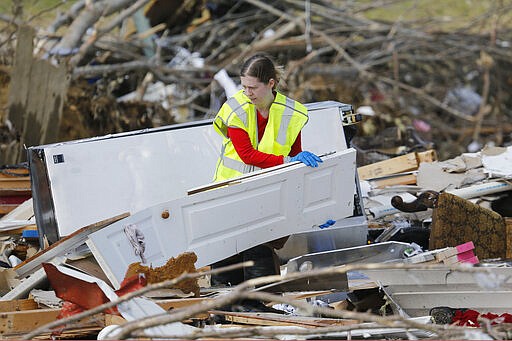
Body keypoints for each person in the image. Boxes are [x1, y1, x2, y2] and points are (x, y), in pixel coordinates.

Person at [210, 53, 322, 286]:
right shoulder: (236, 109)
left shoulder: (291, 113)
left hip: (268, 190)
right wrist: (287, 161)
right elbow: (247, 154)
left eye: (253, 87)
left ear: (271, 84)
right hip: (231, 188)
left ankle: (260, 301)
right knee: (228, 249)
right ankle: (223, 305)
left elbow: (295, 156)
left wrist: (315, 208)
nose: (247, 92)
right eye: (244, 86)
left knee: (261, 243)